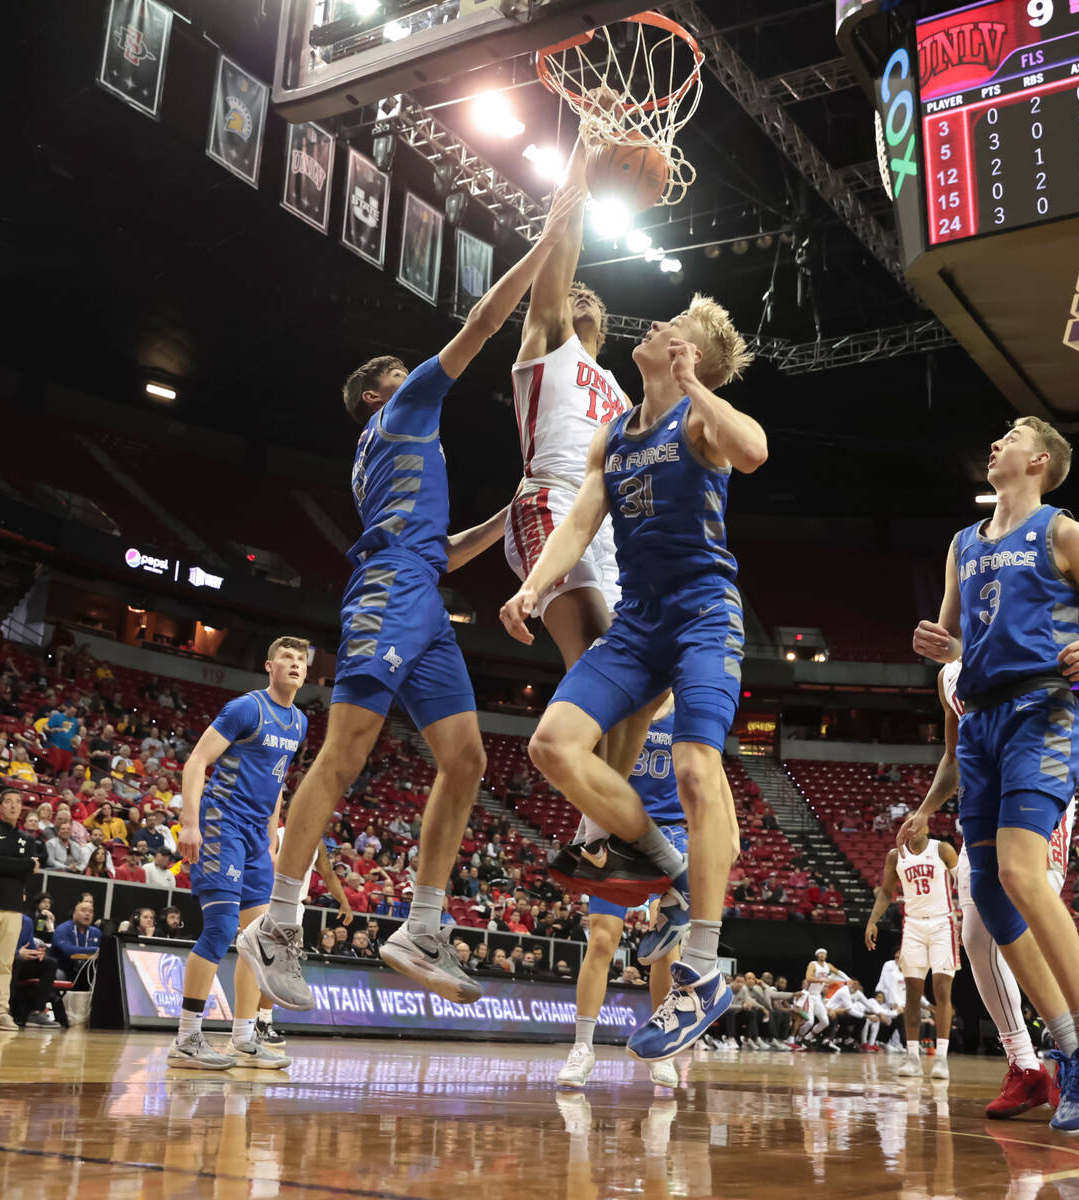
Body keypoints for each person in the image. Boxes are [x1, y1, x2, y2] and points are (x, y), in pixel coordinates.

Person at [238, 188, 585, 1011]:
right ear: (375, 395)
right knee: (345, 752)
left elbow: (449, 550)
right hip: (390, 590)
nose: (414, 370)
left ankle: (422, 926)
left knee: (465, 759)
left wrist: (520, 505)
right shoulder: (398, 410)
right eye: (399, 370)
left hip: (420, 590)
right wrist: (542, 250)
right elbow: (479, 330)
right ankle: (279, 921)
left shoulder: (397, 457)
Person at [501, 297, 763, 1062]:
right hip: (642, 622)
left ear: (692, 356)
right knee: (552, 746)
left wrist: (698, 387)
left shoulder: (701, 422)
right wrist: (533, 588)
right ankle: (671, 870)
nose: (652, 327)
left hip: (704, 615)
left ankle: (705, 968)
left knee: (690, 764)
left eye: (672, 327)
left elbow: (753, 452)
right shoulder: (614, 435)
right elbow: (580, 523)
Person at [910, 415, 1079, 1136]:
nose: (996, 441)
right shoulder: (961, 544)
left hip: (1040, 708)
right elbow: (951, 637)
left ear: (1039, 460)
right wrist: (934, 643)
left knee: (1018, 869)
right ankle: (1069, 1051)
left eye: (1011, 434)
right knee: (991, 893)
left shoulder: (1064, 533)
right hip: (977, 722)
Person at [897, 657, 1074, 1117]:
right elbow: (953, 755)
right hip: (981, 807)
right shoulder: (947, 677)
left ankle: (1075, 1053)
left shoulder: (1020, 637)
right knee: (977, 939)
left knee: (1029, 927)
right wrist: (926, 808)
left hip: (1032, 788)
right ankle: (1024, 1065)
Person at [556, 696, 738, 1088]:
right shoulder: (623, 700)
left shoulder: (688, 706)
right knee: (602, 940)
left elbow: (714, 770)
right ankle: (582, 1047)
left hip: (669, 832)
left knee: (664, 946)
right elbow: (584, 762)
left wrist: (733, 828)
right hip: (618, 826)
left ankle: (664, 1048)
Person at [503, 131, 628, 687]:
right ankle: (561, 756)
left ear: (604, 320)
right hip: (551, 501)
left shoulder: (624, 395)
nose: (577, 294)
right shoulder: (552, 341)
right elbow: (563, 246)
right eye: (570, 292)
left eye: (588, 295)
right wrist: (585, 147)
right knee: (600, 657)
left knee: (629, 680)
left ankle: (598, 769)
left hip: (607, 527)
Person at [168, 636, 311, 1071]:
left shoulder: (300, 722)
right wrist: (190, 824)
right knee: (221, 929)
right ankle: (187, 1039)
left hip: (254, 835)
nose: (294, 664)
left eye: (301, 659)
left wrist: (271, 833)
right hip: (221, 823)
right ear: (269, 666)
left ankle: (244, 1040)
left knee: (257, 941)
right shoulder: (246, 708)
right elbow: (196, 763)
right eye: (286, 657)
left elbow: (277, 780)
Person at [865, 828, 959, 1079]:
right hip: (913, 925)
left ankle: (941, 1059)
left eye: (917, 823)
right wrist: (872, 920)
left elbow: (965, 880)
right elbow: (886, 892)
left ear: (928, 827)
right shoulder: (896, 856)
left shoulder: (942, 849)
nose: (912, 828)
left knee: (941, 989)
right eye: (907, 825)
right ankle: (912, 1057)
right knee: (913, 995)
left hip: (942, 924)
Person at [0, 790, 42, 1030]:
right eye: (8, 802)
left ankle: (0, 1013)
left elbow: (19, 870)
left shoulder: (27, 840)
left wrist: (20, 866)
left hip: (13, 909)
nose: (12, 806)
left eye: (17, 803)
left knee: (5, 964)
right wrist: (26, 864)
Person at [11, 913, 59, 1028]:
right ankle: (6, 1010)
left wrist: (37, 954)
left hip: (21, 962)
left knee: (50, 963)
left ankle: (37, 1012)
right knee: (17, 960)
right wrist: (17, 953)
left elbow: (30, 946)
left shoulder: (27, 921)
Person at [51, 896, 101, 980]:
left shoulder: (96, 932)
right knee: (58, 975)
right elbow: (69, 950)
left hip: (88, 970)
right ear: (74, 914)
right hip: (64, 969)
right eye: (83, 910)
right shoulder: (63, 929)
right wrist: (97, 949)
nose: (87, 914)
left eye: (91, 912)